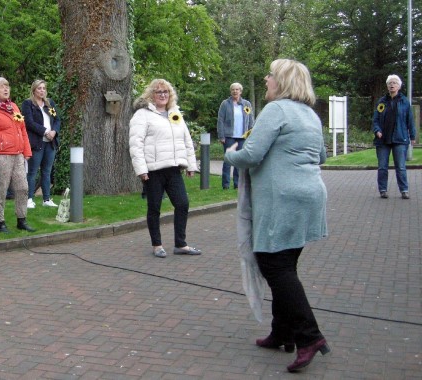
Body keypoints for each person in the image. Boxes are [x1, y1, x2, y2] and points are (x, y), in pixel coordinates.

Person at [224, 59, 329, 373]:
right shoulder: (310, 114)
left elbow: (251, 154)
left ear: (281, 81)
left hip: (282, 199)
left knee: (273, 264)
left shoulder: (276, 110)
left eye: (271, 75)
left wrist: (230, 153)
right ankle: (282, 332)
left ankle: (309, 336)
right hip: (310, 197)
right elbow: (321, 155)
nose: (267, 79)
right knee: (286, 263)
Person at [129, 79, 202, 258]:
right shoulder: (142, 114)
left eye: (165, 92)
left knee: (182, 204)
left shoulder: (175, 114)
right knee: (154, 207)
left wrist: (191, 164)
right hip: (153, 170)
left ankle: (180, 244)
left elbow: (186, 140)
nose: (162, 95)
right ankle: (157, 245)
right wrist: (141, 169)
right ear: (151, 95)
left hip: (173, 168)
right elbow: (135, 143)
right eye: (158, 92)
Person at [0, 77, 35, 233]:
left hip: (18, 155)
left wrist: (27, 150)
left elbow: (22, 129)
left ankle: (21, 220)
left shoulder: (14, 107)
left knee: (23, 188)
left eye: (7, 86)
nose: (6, 89)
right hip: (0, 155)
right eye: (1, 86)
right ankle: (0, 223)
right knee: (0, 190)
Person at [372, 74, 416, 199]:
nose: (392, 85)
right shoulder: (381, 102)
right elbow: (375, 119)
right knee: (382, 167)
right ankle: (383, 190)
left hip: (400, 139)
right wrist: (377, 130)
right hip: (383, 140)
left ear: (399, 86)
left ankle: (404, 190)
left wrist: (412, 136)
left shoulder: (404, 102)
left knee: (401, 166)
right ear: (387, 86)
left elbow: (410, 120)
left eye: (395, 83)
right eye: (390, 83)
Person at [21, 79, 61, 208]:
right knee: (32, 172)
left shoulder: (50, 104)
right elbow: (29, 123)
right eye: (39, 88)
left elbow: (57, 120)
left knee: (47, 171)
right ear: (34, 90)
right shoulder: (28, 104)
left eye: (44, 88)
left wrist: (54, 131)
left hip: (50, 143)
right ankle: (29, 199)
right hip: (37, 142)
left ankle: (46, 199)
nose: (42, 90)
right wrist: (45, 132)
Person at [217, 82, 255, 190]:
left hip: (242, 137)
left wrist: (250, 134)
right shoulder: (225, 104)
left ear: (240, 91)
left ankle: (237, 184)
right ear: (231, 91)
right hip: (229, 136)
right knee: (228, 160)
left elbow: (251, 120)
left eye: (237, 89)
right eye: (233, 89)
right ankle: (225, 185)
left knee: (239, 161)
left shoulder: (246, 104)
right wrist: (221, 136)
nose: (235, 91)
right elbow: (220, 121)